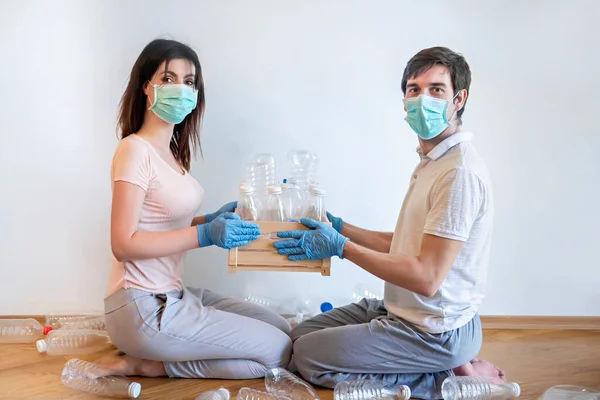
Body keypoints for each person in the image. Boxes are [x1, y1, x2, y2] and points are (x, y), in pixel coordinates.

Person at [275, 47, 503, 399]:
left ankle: (447, 380)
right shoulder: (433, 161)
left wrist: (342, 248)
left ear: (459, 100)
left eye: (436, 89)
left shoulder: (458, 172)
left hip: (434, 330)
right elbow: (408, 245)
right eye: (414, 89)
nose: (421, 97)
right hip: (402, 310)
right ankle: (447, 364)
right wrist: (341, 228)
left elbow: (427, 278)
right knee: (295, 338)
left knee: (306, 358)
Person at [96, 39, 292, 380]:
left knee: (280, 327)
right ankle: (152, 366)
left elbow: (160, 224)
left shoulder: (172, 154)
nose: (181, 89)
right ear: (146, 86)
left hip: (172, 294)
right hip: (142, 305)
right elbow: (123, 244)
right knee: (278, 351)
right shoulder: (134, 150)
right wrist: (204, 234)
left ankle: (155, 358)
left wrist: (209, 220)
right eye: (169, 78)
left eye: (189, 82)